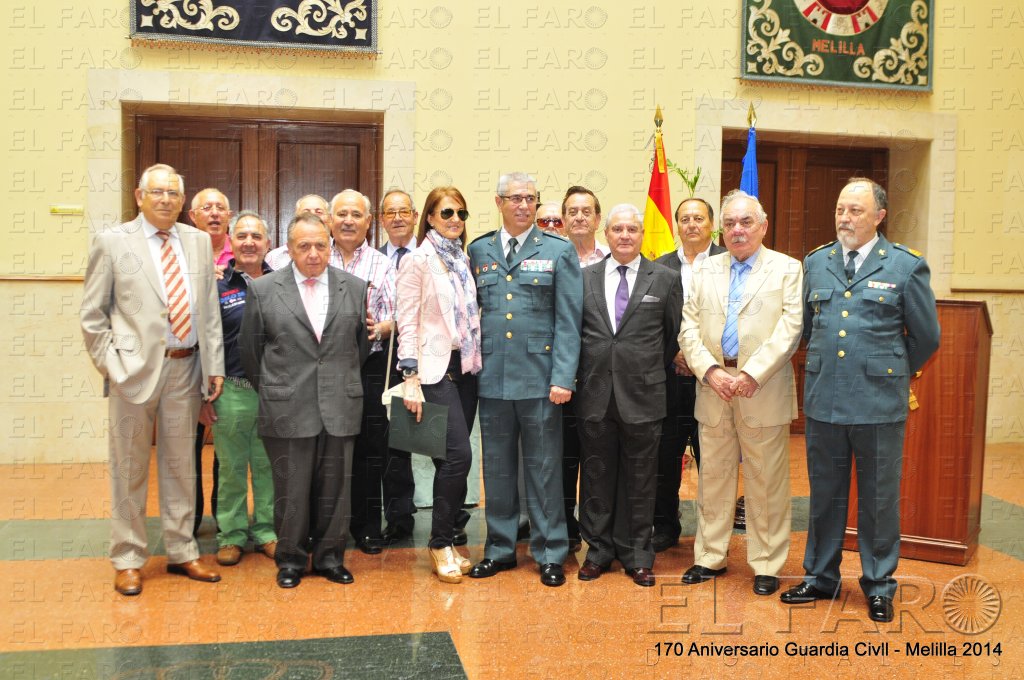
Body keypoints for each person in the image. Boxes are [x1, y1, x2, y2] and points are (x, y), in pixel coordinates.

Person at [780, 177, 940, 623]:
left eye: (855, 211)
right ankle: (820, 577)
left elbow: (926, 337)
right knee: (824, 496)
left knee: (878, 499)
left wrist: (890, 369)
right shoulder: (816, 262)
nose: (845, 219)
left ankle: (879, 584)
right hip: (825, 400)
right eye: (840, 210)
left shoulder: (905, 266)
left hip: (878, 403)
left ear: (879, 216)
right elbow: (807, 329)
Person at [80, 163, 224, 596]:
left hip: (186, 369)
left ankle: (182, 550)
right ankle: (127, 557)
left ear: (182, 201)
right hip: (133, 373)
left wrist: (213, 365)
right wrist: (113, 366)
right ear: (140, 196)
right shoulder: (112, 242)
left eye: (173, 193)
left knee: (181, 466)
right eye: (157, 192)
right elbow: (93, 315)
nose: (165, 199)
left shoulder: (197, 242)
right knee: (129, 468)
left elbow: (209, 310)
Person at [679, 189, 803, 597]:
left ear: (763, 226)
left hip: (761, 387)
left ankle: (766, 562)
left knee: (766, 482)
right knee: (712, 478)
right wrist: (711, 371)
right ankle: (710, 556)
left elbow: (790, 329)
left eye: (746, 222)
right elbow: (688, 329)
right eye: (730, 223)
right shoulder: (704, 270)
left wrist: (751, 373)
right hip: (714, 387)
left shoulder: (787, 269)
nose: (737, 230)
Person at [239, 212, 369, 588]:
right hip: (287, 406)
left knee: (336, 490)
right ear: (290, 249)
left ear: (330, 246)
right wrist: (278, 389)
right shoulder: (264, 290)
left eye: (320, 245)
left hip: (339, 404)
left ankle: (330, 558)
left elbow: (358, 349)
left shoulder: (355, 288)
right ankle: (291, 560)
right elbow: (251, 352)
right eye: (304, 246)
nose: (313, 253)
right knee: (290, 490)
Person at [467, 172, 583, 588]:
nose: (523, 205)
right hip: (492, 378)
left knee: (544, 469)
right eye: (515, 198)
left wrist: (563, 377)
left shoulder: (558, 250)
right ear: (499, 202)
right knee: (497, 469)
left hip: (540, 380)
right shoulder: (478, 249)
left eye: (530, 198)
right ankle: (499, 549)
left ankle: (550, 551)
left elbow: (568, 320)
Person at [575, 204, 682, 587]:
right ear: (606, 234)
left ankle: (637, 554)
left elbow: (671, 338)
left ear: (642, 234)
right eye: (617, 229)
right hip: (595, 395)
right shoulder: (584, 278)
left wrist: (641, 368)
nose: (624, 235)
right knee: (596, 476)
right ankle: (598, 551)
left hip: (644, 396)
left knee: (641, 479)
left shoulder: (665, 279)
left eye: (631, 229)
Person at [395, 186, 481, 583]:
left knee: (450, 461)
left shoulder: (463, 259)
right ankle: (440, 543)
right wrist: (409, 376)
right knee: (459, 456)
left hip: (465, 370)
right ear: (429, 217)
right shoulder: (418, 260)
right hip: (431, 372)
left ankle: (447, 536)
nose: (455, 220)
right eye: (447, 212)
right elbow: (407, 320)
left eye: (461, 213)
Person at [651, 197, 726, 553]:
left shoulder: (730, 262)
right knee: (664, 458)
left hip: (714, 381)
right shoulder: (658, 267)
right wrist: (673, 354)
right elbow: (649, 324)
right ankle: (665, 525)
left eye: (699, 218)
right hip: (670, 380)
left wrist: (701, 361)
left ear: (712, 223)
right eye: (685, 219)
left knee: (714, 460)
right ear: (676, 225)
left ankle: (713, 533)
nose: (692, 224)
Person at [203, 210, 277, 567]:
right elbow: (205, 341)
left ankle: (267, 532)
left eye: (256, 236)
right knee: (230, 469)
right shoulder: (216, 286)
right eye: (242, 236)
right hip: (230, 392)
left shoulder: (283, 284)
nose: (249, 242)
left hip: (273, 393)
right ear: (231, 242)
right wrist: (203, 394)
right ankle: (230, 536)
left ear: (268, 243)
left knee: (268, 468)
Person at [327, 189, 399, 555]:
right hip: (322, 369)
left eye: (356, 215)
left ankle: (367, 526)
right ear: (329, 220)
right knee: (325, 449)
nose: (348, 221)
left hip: (368, 366)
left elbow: (400, 315)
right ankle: (324, 527)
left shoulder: (382, 264)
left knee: (371, 450)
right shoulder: (314, 256)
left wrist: (382, 328)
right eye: (341, 214)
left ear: (369, 222)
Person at [559, 185, 605, 552]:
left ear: (597, 219)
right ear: (562, 219)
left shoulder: (613, 261)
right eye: (572, 211)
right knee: (560, 458)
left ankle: (596, 533)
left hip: (600, 380)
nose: (579, 217)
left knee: (596, 461)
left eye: (586, 211)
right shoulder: (551, 259)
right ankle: (563, 529)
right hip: (558, 379)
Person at [187, 187, 233, 536]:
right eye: (207, 207)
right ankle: (187, 519)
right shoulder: (180, 253)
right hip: (187, 364)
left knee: (225, 451)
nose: (214, 213)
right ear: (193, 216)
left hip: (229, 367)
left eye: (220, 208)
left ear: (229, 216)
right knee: (186, 446)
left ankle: (223, 517)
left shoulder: (243, 252)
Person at [376, 188, 420, 542]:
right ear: (381, 220)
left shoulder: (432, 255)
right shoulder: (373, 260)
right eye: (390, 212)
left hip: (427, 361)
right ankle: (400, 517)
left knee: (436, 439)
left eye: (404, 211)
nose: (398, 218)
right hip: (383, 360)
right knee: (393, 443)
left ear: (416, 216)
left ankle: (450, 517)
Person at [265, 194, 330, 270]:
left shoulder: (340, 253)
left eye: (319, 212)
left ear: (329, 218)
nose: (312, 216)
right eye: (306, 212)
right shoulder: (273, 257)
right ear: (296, 218)